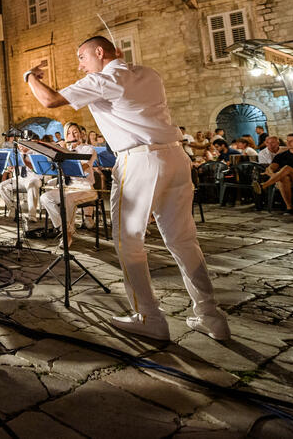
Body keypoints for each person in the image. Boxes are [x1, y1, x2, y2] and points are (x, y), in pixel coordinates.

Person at [25, 35, 230, 342]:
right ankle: (211, 317)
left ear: (99, 52)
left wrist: (29, 76)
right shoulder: (149, 74)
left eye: (82, 58)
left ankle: (149, 316)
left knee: (128, 241)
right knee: (184, 240)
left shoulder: (104, 80)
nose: (80, 66)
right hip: (175, 157)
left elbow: (50, 100)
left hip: (139, 160)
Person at [39, 122, 97, 246]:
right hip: (69, 187)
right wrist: (58, 151)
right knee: (45, 197)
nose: (72, 135)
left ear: (81, 134)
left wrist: (64, 152)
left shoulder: (89, 149)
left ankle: (68, 235)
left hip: (86, 187)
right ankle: (63, 228)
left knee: (69, 199)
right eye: (69, 133)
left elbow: (81, 168)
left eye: (75, 132)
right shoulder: (65, 150)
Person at [254, 133, 293, 215]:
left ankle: (264, 186)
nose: (288, 143)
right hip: (286, 180)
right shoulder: (281, 155)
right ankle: (289, 208)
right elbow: (272, 167)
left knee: (287, 168)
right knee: (284, 177)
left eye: (292, 141)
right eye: (287, 141)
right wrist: (270, 171)